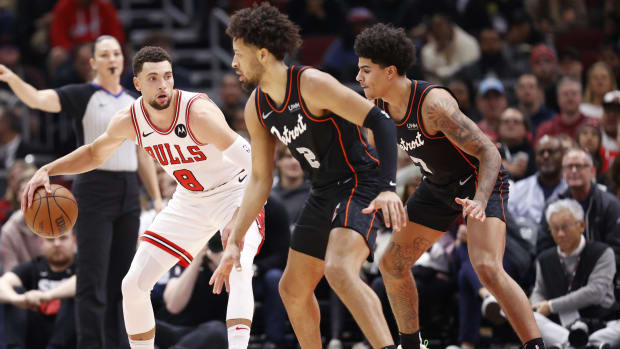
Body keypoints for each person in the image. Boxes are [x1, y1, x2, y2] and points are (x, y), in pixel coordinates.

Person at [21, 46, 263, 349]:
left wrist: (241, 217)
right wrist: (49, 168)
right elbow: (95, 153)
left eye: (167, 77)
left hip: (234, 192)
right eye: (153, 78)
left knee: (239, 264)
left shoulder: (197, 114)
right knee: (133, 285)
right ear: (137, 84)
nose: (163, 85)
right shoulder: (129, 119)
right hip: (190, 200)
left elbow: (257, 166)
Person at [210, 4, 406, 349]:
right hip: (322, 191)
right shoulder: (257, 107)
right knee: (292, 289)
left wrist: (389, 188)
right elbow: (259, 180)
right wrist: (235, 241)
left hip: (360, 183)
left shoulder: (312, 83)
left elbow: (381, 121)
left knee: (340, 271)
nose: (234, 63)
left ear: (263, 53)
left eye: (239, 54)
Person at [353, 23, 545, 349]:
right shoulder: (378, 110)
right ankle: (412, 345)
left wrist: (481, 201)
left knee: (486, 267)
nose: (359, 78)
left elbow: (488, 151)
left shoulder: (433, 105)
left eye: (365, 71)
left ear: (390, 72)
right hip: (438, 186)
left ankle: (536, 345)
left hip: (479, 181)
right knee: (392, 264)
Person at [0, 35, 162, 349]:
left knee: (125, 282)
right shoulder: (82, 95)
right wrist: (12, 79)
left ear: (122, 60)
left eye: (116, 53)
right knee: (92, 279)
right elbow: (37, 99)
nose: (112, 58)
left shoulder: (134, 103)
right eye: (104, 54)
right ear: (93, 62)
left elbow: (143, 154)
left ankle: (120, 344)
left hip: (129, 190)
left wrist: (155, 197)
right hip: (93, 188)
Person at [532, 199, 616, 347]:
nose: (560, 234)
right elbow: (539, 292)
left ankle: (569, 344)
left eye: (565, 227)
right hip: (560, 326)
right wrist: (537, 305)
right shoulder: (544, 259)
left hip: (600, 321)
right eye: (554, 229)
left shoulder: (603, 253)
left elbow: (595, 292)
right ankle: (579, 344)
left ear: (582, 225)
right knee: (531, 319)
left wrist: (551, 306)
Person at [0, 233, 78, 349]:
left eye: (63, 238)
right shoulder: (33, 266)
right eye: (50, 240)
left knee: (78, 294)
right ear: (41, 243)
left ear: (74, 241)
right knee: (12, 292)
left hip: (70, 336)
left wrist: (47, 296)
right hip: (35, 332)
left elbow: (84, 282)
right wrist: (19, 299)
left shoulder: (83, 266)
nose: (57, 244)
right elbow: (3, 283)